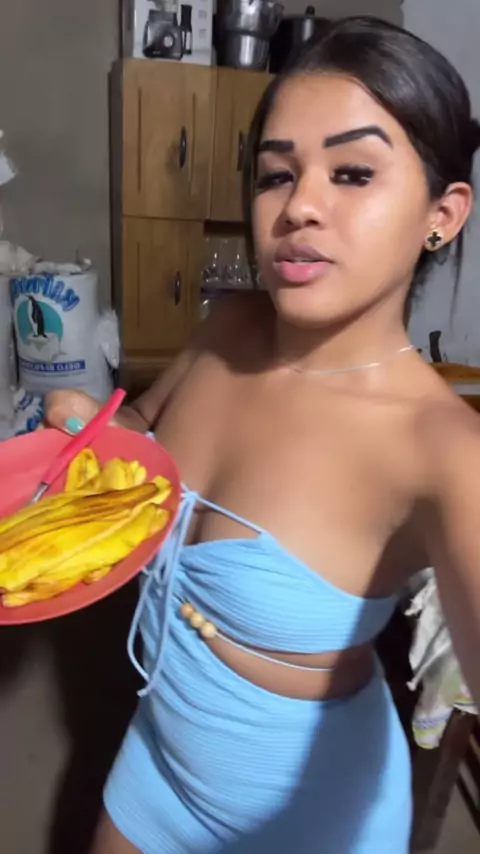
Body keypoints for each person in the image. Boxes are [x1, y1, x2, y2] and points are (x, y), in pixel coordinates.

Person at [45, 16, 480, 854]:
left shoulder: (444, 450)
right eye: (277, 174)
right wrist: (89, 433)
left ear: (442, 213)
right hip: (158, 755)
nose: (298, 207)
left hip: (312, 818)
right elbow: (143, 427)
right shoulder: (231, 326)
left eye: (352, 173)